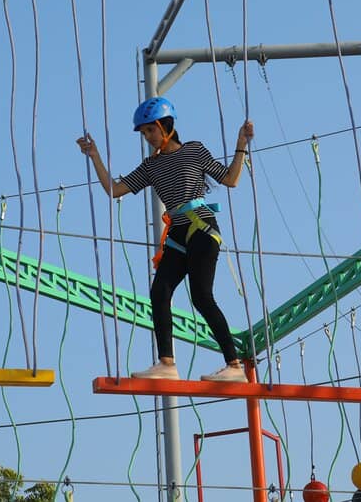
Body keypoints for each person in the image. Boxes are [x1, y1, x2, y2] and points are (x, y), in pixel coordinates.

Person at [76, 97, 253, 383]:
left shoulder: (194, 150)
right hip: (177, 236)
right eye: (144, 133)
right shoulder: (150, 166)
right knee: (159, 293)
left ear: (165, 126)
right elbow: (114, 189)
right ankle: (167, 363)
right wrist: (94, 155)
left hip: (202, 228)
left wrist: (241, 144)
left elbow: (230, 179)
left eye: (150, 131)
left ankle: (234, 366)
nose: (147, 138)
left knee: (201, 297)